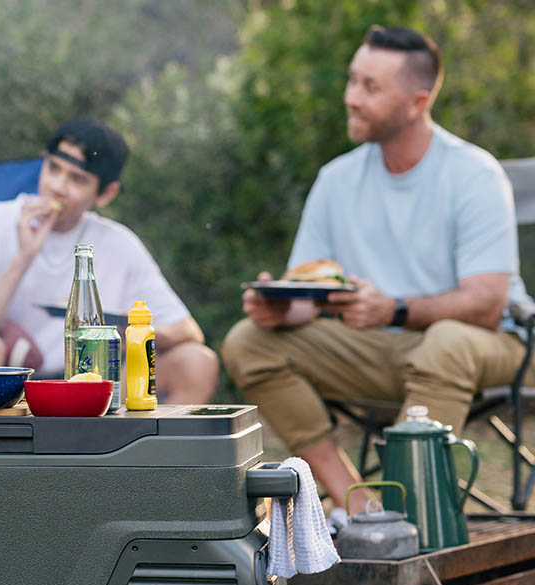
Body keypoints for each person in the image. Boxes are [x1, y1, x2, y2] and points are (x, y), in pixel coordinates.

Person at [222, 25, 530, 521]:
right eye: (352, 81)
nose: (351, 98)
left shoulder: (474, 174)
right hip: (383, 349)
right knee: (246, 341)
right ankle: (361, 508)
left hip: (492, 346)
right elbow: (311, 293)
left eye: (370, 87)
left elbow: (488, 303)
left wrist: (395, 307)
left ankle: (408, 514)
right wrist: (279, 308)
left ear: (416, 101)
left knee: (447, 339)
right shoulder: (336, 179)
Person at [0, 117, 218, 402]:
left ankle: (154, 447)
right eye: (53, 168)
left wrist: (125, 334)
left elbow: (188, 331)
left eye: (77, 179)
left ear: (106, 193)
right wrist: (24, 257)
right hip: (15, 386)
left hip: (99, 384)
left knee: (197, 362)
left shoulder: (118, 243)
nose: (57, 186)